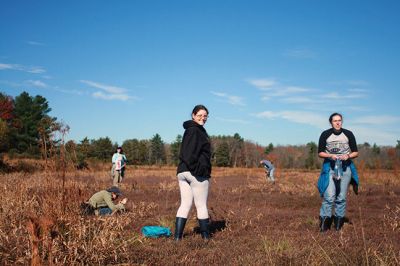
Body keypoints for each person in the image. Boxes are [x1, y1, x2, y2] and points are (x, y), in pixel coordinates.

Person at [174, 105, 212, 240]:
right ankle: (206, 238)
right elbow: (189, 154)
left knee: (185, 204)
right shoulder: (196, 131)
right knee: (201, 205)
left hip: (182, 172)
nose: (203, 118)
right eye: (200, 115)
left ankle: (177, 238)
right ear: (193, 115)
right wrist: (199, 170)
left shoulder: (189, 130)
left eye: (205, 116)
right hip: (195, 173)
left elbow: (185, 153)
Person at [317, 113, 359, 232]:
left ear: (342, 121)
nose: (337, 122)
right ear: (331, 122)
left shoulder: (348, 134)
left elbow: (355, 152)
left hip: (345, 168)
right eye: (335, 120)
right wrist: (331, 155)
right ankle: (324, 226)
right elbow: (320, 152)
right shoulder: (325, 134)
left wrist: (348, 156)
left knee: (341, 197)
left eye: (339, 120)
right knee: (329, 196)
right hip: (330, 168)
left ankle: (338, 226)